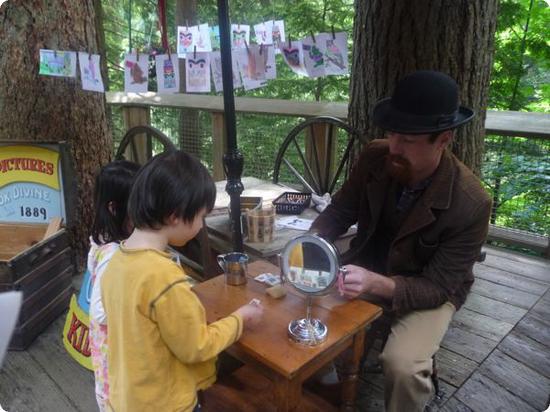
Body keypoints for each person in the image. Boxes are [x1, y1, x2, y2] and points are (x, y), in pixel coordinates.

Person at [310, 70, 492, 412]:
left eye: (408, 140)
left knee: (403, 365)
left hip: (429, 290)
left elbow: (438, 287)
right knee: (303, 304)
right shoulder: (376, 156)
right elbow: (340, 211)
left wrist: (380, 284)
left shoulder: (472, 202)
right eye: (392, 133)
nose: (394, 147)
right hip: (367, 266)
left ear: (444, 139)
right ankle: (328, 388)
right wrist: (310, 243)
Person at [100, 150, 264, 412]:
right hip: (164, 404)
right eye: (201, 216)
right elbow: (197, 347)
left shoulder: (115, 260)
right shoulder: (164, 278)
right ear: (175, 214)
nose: (201, 225)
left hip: (126, 399)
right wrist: (241, 318)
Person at [88, 160, 140, 412]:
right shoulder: (112, 255)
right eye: (137, 206)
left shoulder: (101, 241)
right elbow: (99, 311)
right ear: (114, 208)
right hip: (116, 373)